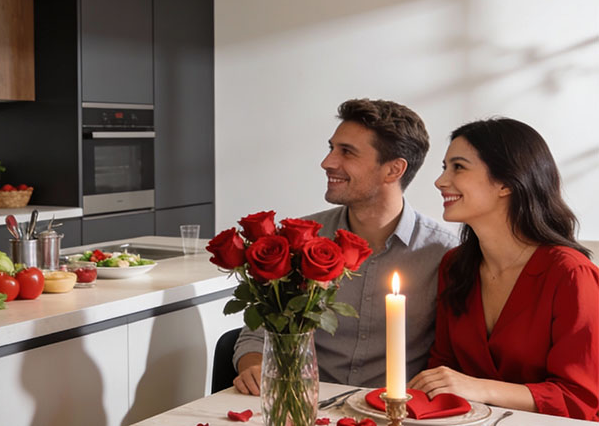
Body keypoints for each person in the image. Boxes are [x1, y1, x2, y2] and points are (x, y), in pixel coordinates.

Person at [232, 99, 459, 395]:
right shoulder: (299, 239)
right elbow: (256, 336)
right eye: (332, 148)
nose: (327, 162)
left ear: (393, 170)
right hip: (304, 403)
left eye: (347, 152)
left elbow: (455, 356)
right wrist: (254, 367)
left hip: (394, 410)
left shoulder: (444, 253)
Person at [409, 118, 598, 420]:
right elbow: (441, 370)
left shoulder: (570, 274)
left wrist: (480, 388)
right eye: (445, 167)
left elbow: (580, 399)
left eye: (458, 167)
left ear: (506, 183)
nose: (440, 181)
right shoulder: (454, 266)